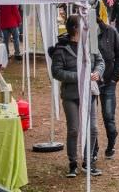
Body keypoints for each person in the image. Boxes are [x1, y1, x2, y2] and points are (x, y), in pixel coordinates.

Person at [50, 15, 105, 178]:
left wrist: (97, 72)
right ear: (75, 28)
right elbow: (56, 72)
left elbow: (100, 61)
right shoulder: (61, 49)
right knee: (73, 129)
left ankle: (88, 162)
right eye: (83, 26)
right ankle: (72, 163)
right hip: (71, 95)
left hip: (89, 93)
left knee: (93, 129)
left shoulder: (91, 43)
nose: (87, 28)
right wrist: (80, 76)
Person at [96, 17, 119, 160]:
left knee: (108, 116)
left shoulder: (110, 31)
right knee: (90, 117)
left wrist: (115, 77)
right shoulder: (81, 32)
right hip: (89, 83)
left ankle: (111, 143)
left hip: (108, 81)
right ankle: (93, 149)